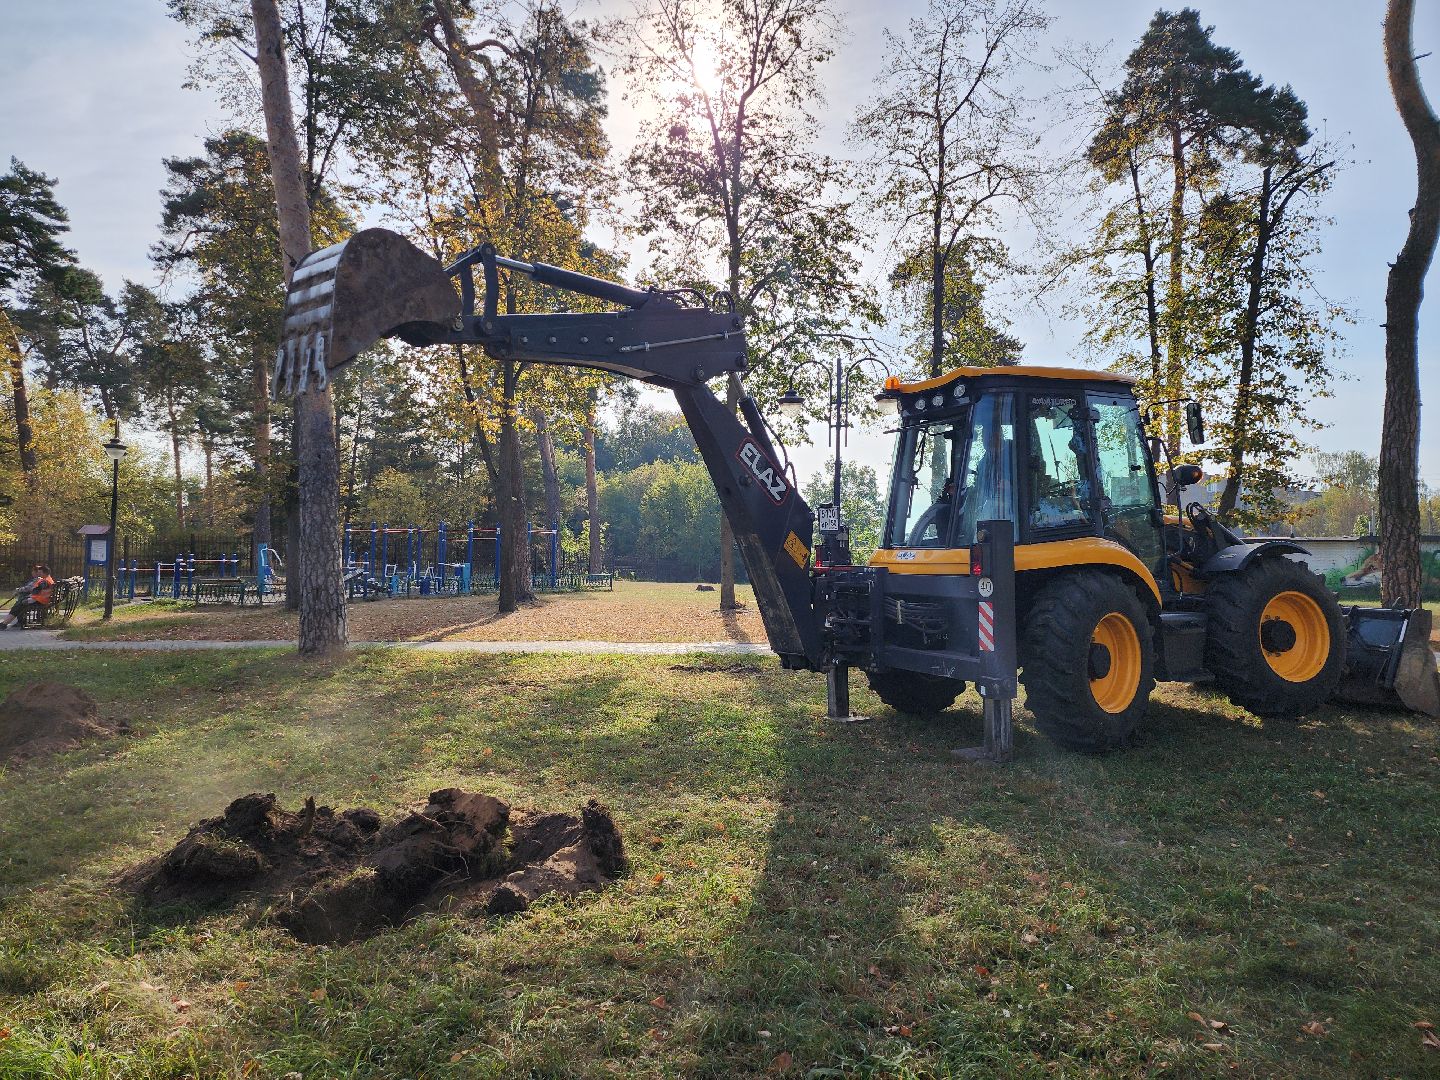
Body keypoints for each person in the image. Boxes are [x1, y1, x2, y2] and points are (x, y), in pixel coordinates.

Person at [1, 564, 55, 630]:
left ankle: (5, 623)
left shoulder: (44, 581)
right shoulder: (48, 579)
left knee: (20, 604)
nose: (39, 574)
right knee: (20, 603)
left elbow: (36, 591)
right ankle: (6, 623)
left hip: (40, 600)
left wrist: (29, 595)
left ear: (45, 572)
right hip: (42, 599)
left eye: (40, 572)